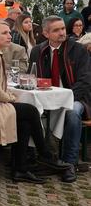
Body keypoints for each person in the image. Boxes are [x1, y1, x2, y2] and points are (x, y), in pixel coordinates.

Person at [0, 21, 70, 183]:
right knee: (30, 111)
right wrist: (13, 98)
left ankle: (21, 169)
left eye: (9, 32)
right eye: (4, 33)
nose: (10, 36)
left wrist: (10, 96)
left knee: (24, 122)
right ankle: (45, 154)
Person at [29, 16, 91, 182]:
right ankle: (42, 158)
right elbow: (32, 77)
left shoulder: (78, 50)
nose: (62, 32)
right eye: (56, 30)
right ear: (46, 33)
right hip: (47, 98)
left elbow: (85, 80)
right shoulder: (38, 51)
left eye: (63, 28)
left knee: (72, 113)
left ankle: (69, 162)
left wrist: (67, 98)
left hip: (76, 97)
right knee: (30, 111)